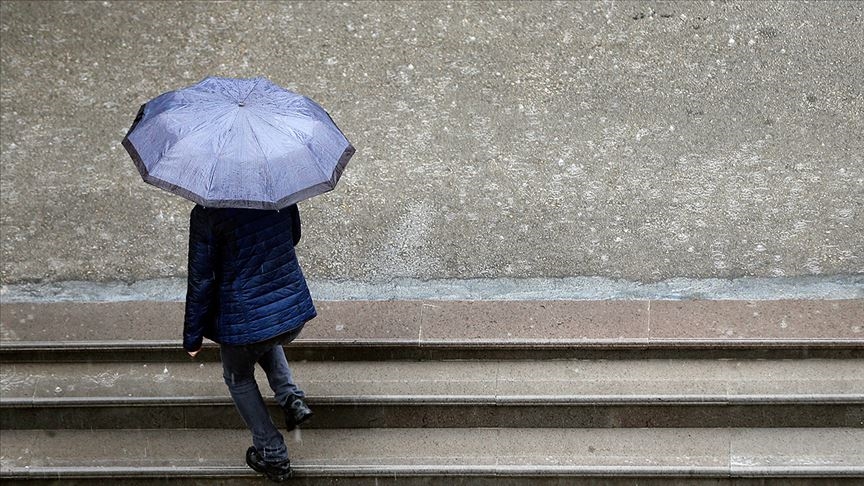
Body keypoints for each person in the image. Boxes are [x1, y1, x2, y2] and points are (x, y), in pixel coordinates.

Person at [183, 203, 315, 482]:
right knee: (262, 333)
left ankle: (273, 454)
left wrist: (192, 338)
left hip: (244, 315)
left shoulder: (208, 213)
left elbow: (201, 279)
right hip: (289, 309)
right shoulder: (278, 196)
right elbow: (293, 236)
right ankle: (291, 399)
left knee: (238, 376)